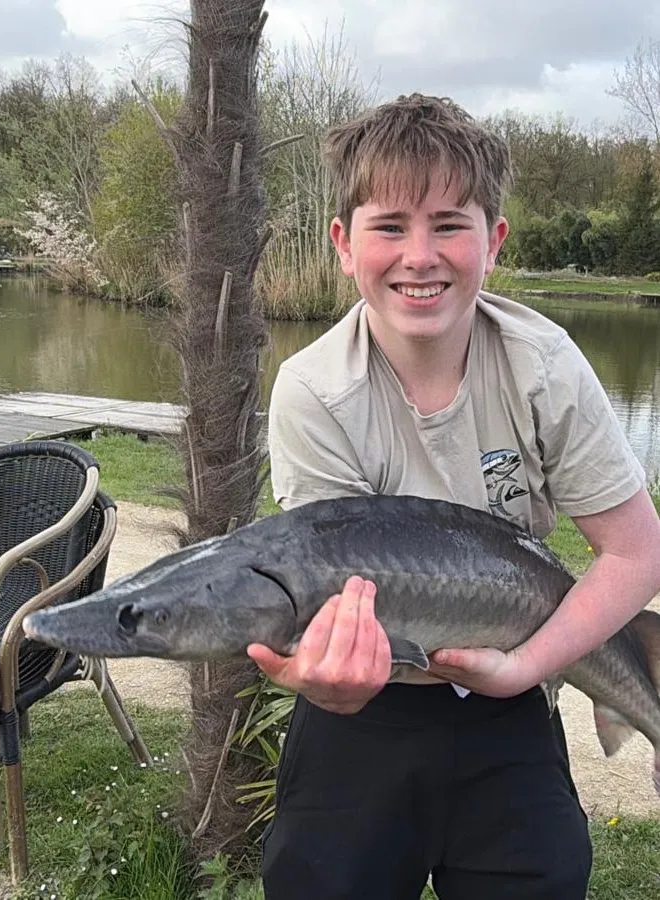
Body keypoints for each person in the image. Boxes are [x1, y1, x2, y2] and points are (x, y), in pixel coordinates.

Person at [248, 93, 660, 900]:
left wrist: (526, 666)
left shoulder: (545, 366)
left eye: (448, 224)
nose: (420, 255)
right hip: (362, 719)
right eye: (390, 226)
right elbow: (333, 607)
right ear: (343, 244)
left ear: (493, 241)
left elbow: (636, 551)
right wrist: (329, 673)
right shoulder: (312, 390)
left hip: (514, 695)